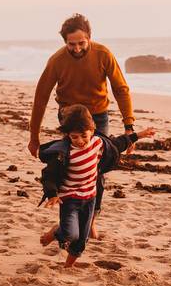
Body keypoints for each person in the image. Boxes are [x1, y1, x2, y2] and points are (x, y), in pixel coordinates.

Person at [28, 13, 136, 239]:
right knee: (71, 168)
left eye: (81, 43)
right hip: (69, 118)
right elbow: (41, 98)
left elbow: (120, 89)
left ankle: (91, 219)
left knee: (97, 169)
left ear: (89, 38)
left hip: (98, 116)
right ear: (64, 42)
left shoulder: (103, 54)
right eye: (71, 44)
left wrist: (129, 125)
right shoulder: (57, 61)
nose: (76, 48)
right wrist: (34, 137)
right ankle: (68, 221)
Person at [39, 105, 155, 267]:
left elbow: (118, 143)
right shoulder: (63, 153)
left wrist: (139, 135)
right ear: (67, 135)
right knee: (70, 234)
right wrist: (52, 194)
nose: (80, 141)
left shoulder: (98, 143)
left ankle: (67, 267)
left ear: (92, 130)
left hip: (89, 199)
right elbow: (49, 175)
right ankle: (55, 232)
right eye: (74, 137)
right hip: (69, 199)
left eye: (84, 136)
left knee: (82, 238)